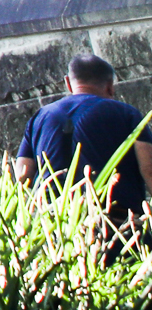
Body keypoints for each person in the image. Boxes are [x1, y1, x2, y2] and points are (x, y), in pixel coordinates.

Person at [17, 55, 152, 228]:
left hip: (58, 227)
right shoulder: (127, 113)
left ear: (68, 82)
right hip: (117, 225)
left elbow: (22, 177)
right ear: (110, 86)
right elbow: (148, 169)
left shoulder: (39, 118)